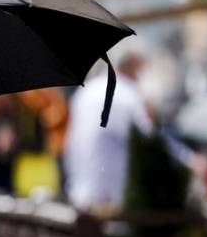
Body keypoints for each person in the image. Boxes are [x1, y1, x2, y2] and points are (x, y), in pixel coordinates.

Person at [63, 47, 153, 212]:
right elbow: (151, 143)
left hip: (79, 194)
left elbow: (69, 145)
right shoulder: (128, 96)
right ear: (131, 66)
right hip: (109, 200)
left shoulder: (86, 91)